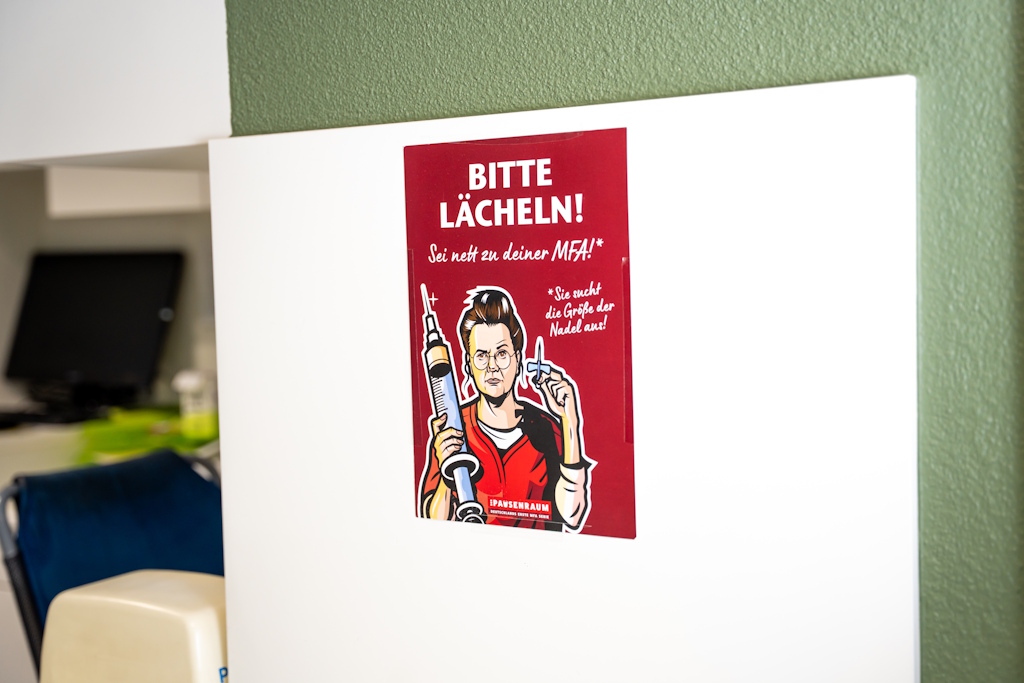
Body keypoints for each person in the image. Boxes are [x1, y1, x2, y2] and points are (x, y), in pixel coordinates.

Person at [419, 287, 592, 532]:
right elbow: (434, 521)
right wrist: (447, 466)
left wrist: (570, 421)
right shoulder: (453, 430)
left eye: (501, 353)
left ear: (517, 359)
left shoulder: (547, 429)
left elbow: (572, 517)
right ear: (468, 365)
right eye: (481, 355)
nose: (492, 366)